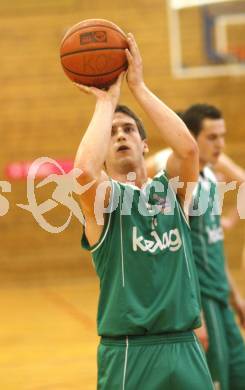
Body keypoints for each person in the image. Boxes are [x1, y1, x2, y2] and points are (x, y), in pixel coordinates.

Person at [73, 34, 213, 389]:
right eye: (113, 132)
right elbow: (84, 173)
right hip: (128, 352)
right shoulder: (103, 204)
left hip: (184, 345)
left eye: (129, 129)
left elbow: (188, 150)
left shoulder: (173, 193)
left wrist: (138, 86)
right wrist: (108, 101)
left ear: (144, 144)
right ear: (104, 150)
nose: (121, 135)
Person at [146, 104, 245, 390]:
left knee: (239, 374)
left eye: (222, 136)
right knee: (216, 381)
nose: (221, 145)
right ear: (190, 137)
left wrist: (235, 295)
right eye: (212, 138)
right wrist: (195, 312)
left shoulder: (211, 177)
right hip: (201, 298)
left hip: (222, 298)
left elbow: (215, 245)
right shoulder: (178, 186)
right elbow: (174, 254)